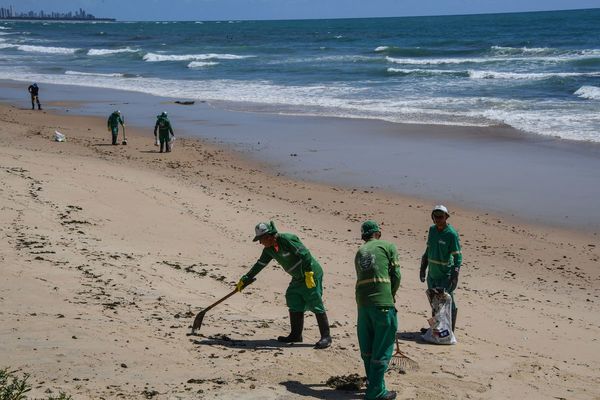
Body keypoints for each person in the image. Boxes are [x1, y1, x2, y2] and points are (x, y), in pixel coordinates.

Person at [236, 221, 332, 349]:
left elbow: (306, 255)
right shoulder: (269, 250)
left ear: (269, 236)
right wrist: (246, 279)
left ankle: (326, 337)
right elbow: (260, 264)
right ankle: (296, 335)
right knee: (292, 298)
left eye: (261, 239)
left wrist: (309, 273)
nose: (260, 243)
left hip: (311, 273)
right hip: (297, 277)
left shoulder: (287, 239)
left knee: (314, 301)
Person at [354, 220, 401, 400]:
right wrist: (391, 294)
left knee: (368, 348)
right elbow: (396, 275)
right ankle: (376, 392)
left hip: (362, 304)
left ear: (363, 237)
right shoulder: (388, 246)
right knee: (382, 347)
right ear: (378, 234)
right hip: (382, 304)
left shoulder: (359, 252)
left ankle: (375, 384)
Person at [420, 205, 462, 332]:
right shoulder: (432, 230)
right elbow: (428, 250)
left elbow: (457, 257)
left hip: (445, 275)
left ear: (446, 217)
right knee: (434, 302)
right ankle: (436, 328)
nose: (438, 219)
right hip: (432, 274)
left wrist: (455, 276)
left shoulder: (451, 234)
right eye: (436, 216)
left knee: (447, 302)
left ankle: (449, 331)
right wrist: (423, 267)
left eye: (441, 217)